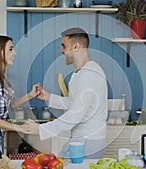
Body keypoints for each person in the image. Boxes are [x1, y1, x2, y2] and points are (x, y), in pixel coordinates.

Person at [25, 27, 108, 158]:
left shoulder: (89, 74)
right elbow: (75, 103)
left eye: (64, 46)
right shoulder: (81, 72)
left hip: (87, 141)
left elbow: (76, 114)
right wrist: (49, 97)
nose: (61, 50)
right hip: (83, 139)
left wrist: (41, 129)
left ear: (76, 46)